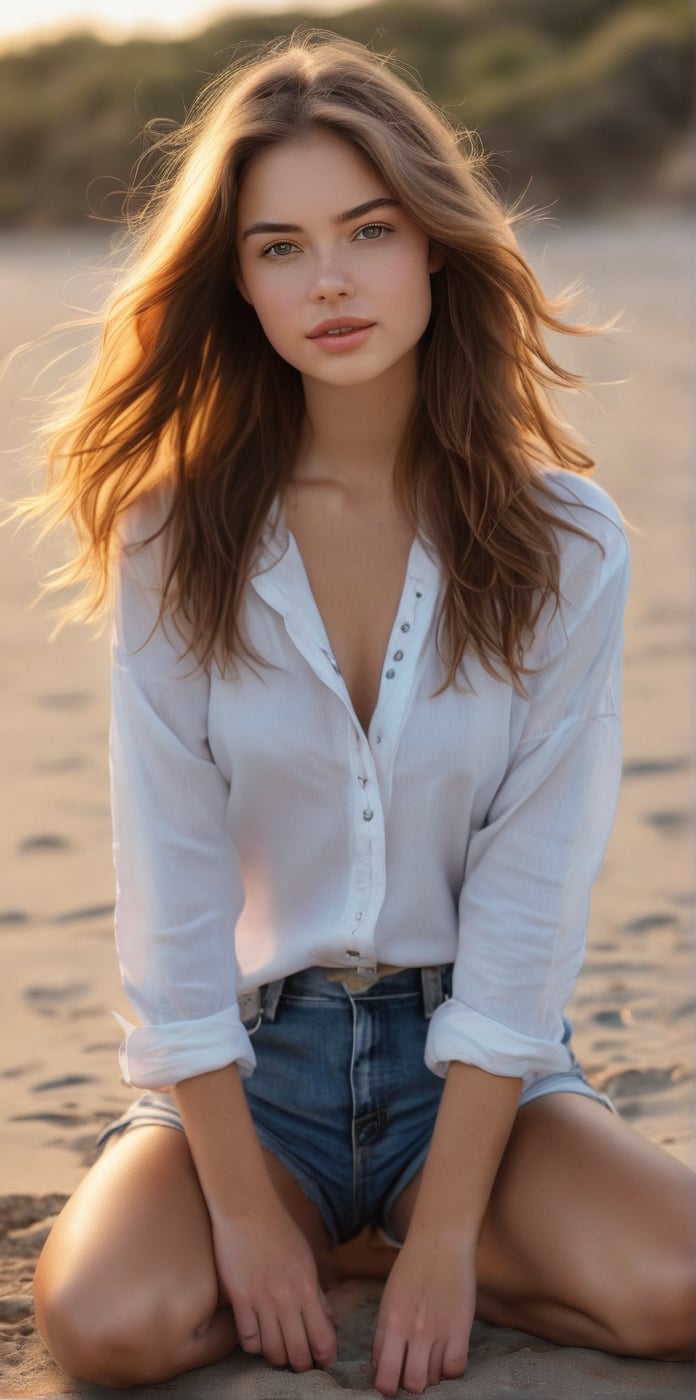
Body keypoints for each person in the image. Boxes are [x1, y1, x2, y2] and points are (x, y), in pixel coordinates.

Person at [23, 31, 694, 1399]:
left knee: (677, 1287)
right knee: (105, 1326)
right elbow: (172, 888)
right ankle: (312, 1228)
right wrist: (242, 1208)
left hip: (477, 1068)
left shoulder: (565, 541)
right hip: (256, 1063)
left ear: (434, 245)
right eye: (279, 247)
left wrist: (445, 1237)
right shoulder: (175, 540)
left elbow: (531, 889)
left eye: (367, 230)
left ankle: (393, 1237)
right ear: (242, 286)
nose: (328, 279)